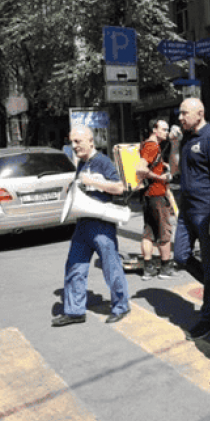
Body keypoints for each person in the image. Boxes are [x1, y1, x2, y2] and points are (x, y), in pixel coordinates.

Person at [52, 126, 130, 327]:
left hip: (101, 224)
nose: (74, 146)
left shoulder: (102, 162)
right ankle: (74, 311)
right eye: (72, 142)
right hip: (83, 223)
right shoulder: (82, 163)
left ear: (90, 141)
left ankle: (121, 306)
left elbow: (120, 187)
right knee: (74, 266)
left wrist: (93, 182)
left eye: (77, 141)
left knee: (111, 267)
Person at [173, 98, 210, 340]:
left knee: (209, 265)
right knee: (180, 255)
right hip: (186, 211)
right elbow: (175, 169)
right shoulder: (186, 138)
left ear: (200, 113)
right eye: (180, 113)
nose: (180, 117)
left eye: (184, 113)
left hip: (206, 212)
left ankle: (208, 318)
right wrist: (174, 144)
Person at [137, 118, 176, 281]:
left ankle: (148, 268)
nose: (166, 132)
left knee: (148, 232)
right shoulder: (152, 146)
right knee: (164, 232)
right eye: (164, 129)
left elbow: (149, 162)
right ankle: (165, 267)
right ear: (155, 130)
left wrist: (162, 164)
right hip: (157, 195)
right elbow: (141, 169)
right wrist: (160, 177)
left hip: (146, 195)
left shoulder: (146, 145)